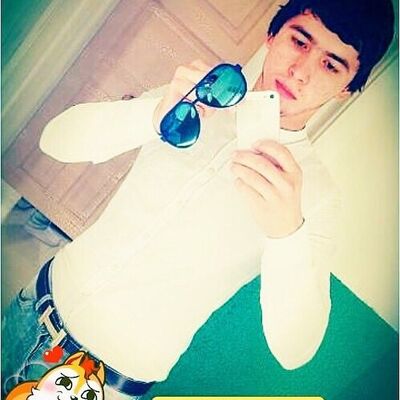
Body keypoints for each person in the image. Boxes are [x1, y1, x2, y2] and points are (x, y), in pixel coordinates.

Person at [2, 0, 394, 398]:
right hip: (34, 304)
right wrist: (152, 116)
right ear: (272, 35)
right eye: (300, 41)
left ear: (347, 88)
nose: (301, 70)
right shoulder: (197, 100)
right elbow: (55, 141)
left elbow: (295, 349)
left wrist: (287, 234)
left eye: (331, 65)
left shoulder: (315, 197)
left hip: (98, 382)